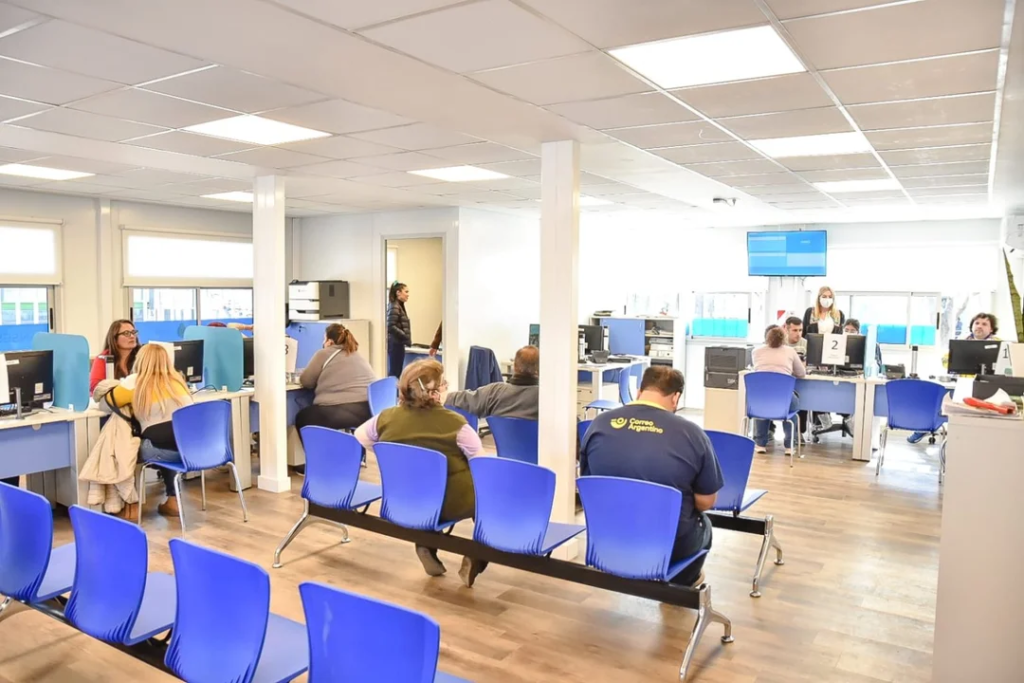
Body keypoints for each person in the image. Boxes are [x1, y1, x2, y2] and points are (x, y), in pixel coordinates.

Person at [580, 366, 723, 587]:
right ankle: (683, 582)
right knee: (704, 525)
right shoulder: (692, 433)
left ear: (639, 391)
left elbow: (589, 482)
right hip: (668, 544)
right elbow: (706, 501)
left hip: (608, 535)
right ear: (675, 398)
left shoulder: (598, 424)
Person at [355, 360, 482, 579]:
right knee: (485, 496)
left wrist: (393, 457)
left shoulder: (385, 417)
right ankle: (477, 554)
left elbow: (360, 437)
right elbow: (481, 464)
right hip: (449, 503)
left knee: (426, 486)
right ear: (434, 393)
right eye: (443, 383)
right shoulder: (456, 424)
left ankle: (425, 543)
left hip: (405, 496)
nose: (446, 386)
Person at [109, 344, 193, 517]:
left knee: (127, 447)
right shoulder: (178, 381)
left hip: (160, 452)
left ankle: (130, 504)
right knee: (168, 440)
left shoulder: (135, 381)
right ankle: (173, 500)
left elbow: (107, 403)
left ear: (141, 360)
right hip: (193, 453)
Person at [908, 312, 999, 444]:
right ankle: (924, 427)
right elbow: (945, 360)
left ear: (991, 329)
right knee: (935, 399)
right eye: (977, 323)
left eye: (984, 324)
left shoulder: (998, 344)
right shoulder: (962, 341)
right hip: (962, 384)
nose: (979, 326)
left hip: (987, 387)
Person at [295, 323, 375, 433]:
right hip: (369, 409)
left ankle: (319, 445)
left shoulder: (323, 353)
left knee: (303, 417)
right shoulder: (356, 353)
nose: (323, 343)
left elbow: (306, 381)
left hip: (343, 411)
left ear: (330, 341)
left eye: (324, 339)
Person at [751, 326, 806, 456]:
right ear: (784, 338)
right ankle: (789, 445)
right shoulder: (790, 351)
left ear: (766, 338)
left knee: (762, 403)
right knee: (792, 405)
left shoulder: (756, 352)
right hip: (784, 400)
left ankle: (760, 444)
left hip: (761, 400)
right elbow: (801, 374)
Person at [445, 346, 539, 420]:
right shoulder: (543, 398)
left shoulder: (494, 392)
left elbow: (458, 398)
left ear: (514, 366)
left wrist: (440, 393)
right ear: (540, 368)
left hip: (503, 440)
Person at [89, 319, 140, 393]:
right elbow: (94, 386)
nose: (132, 336)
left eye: (133, 332)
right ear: (115, 339)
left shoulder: (141, 356)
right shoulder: (103, 358)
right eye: (126, 333)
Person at [386, 281, 411, 378]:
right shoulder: (395, 306)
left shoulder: (398, 306)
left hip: (398, 343)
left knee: (397, 371)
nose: (408, 295)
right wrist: (404, 335)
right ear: (398, 293)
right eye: (406, 292)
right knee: (395, 372)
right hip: (395, 344)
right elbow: (390, 325)